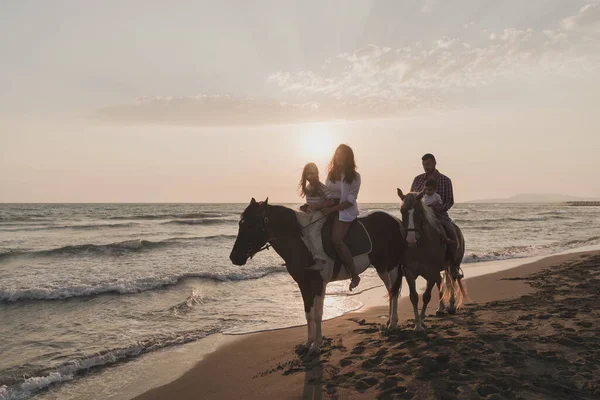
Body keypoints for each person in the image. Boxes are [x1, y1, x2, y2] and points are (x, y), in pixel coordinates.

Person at [410, 153, 462, 278]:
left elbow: (450, 201)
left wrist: (439, 208)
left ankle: (453, 266)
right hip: (421, 216)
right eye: (423, 165)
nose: (425, 167)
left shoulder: (445, 180)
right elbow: (411, 198)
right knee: (406, 231)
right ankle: (405, 263)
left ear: (434, 163)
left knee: (451, 233)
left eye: (427, 164)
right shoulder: (418, 179)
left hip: (439, 216)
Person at [321, 144, 361, 291]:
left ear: (348, 158)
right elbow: (326, 193)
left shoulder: (355, 176)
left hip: (345, 210)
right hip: (330, 206)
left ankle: (354, 274)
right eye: (337, 154)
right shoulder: (331, 173)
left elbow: (350, 200)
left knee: (336, 240)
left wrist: (332, 209)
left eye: (342, 155)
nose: (338, 157)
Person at [423, 179, 455, 245]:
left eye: (430, 189)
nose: (428, 191)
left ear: (435, 190)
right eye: (426, 189)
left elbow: (440, 203)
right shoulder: (423, 197)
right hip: (426, 214)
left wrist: (436, 204)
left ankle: (446, 238)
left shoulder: (437, 196)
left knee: (444, 225)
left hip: (436, 214)